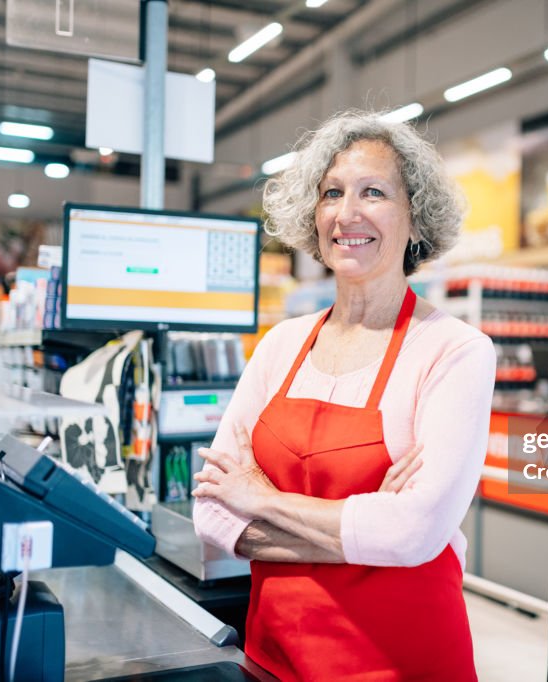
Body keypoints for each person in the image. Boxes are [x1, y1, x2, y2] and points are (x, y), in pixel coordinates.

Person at [191, 110, 496, 680]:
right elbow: (210, 511)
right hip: (272, 657)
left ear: (416, 217)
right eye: (332, 193)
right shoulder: (281, 345)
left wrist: (260, 499)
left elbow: (415, 533)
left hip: (398, 663)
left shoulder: (454, 351)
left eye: (373, 192)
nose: (347, 213)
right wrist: (366, 528)